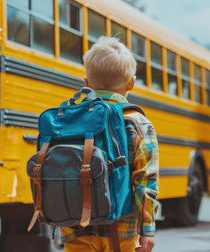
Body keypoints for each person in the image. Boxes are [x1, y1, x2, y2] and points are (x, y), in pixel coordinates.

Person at [60, 36, 159, 252]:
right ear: (131, 82)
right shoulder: (138, 123)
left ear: (86, 83)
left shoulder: (68, 119)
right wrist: (148, 228)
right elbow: (146, 179)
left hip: (75, 230)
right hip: (121, 232)